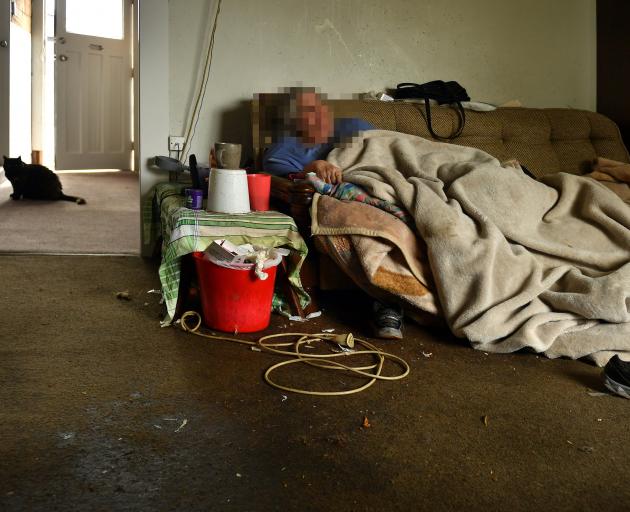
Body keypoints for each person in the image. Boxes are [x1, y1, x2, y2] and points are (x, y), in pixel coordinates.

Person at [262, 87, 404, 339]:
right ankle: (387, 301)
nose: (316, 115)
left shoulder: (354, 126)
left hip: (388, 187)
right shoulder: (282, 150)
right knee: (363, 223)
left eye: (319, 107)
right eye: (306, 112)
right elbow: (286, 184)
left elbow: (390, 150)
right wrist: (312, 168)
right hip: (341, 200)